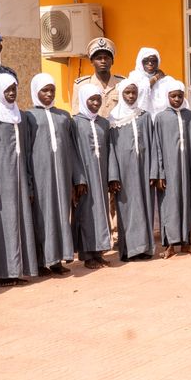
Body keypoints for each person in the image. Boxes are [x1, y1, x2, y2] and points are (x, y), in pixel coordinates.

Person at [26, 74, 85, 274]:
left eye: (52, 90)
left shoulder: (63, 116)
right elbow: (26, 150)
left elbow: (73, 148)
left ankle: (57, 259)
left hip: (62, 173)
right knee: (42, 216)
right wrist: (29, 182)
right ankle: (42, 261)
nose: (49, 94)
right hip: (40, 174)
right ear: (36, 91)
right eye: (45, 90)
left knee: (61, 214)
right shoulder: (29, 116)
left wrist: (77, 178)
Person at [0, 74, 39, 282]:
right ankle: (1, 273)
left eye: (14, 89)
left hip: (20, 179)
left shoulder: (21, 117)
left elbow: (26, 152)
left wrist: (29, 183)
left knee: (20, 221)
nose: (11, 93)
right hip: (0, 179)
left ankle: (18, 270)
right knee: (2, 223)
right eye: (7, 90)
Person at [151, 79, 191, 258]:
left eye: (180, 96)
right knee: (169, 206)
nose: (177, 99)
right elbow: (156, 146)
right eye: (173, 96)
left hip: (187, 169)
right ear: (168, 97)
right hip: (169, 170)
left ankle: (186, 243)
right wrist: (159, 173)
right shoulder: (160, 118)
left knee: (187, 203)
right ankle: (170, 245)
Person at [107, 80, 155, 261]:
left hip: (144, 169)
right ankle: (129, 250)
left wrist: (154, 171)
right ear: (121, 94)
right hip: (124, 172)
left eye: (134, 93)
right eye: (127, 92)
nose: (131, 96)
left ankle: (146, 248)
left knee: (145, 206)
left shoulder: (144, 116)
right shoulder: (113, 120)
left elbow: (153, 144)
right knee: (127, 209)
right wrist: (113, 176)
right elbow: (110, 149)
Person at [72, 83, 114, 269]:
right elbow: (71, 151)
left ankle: (98, 252)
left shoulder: (103, 123)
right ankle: (87, 255)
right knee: (86, 214)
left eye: (98, 99)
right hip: (85, 178)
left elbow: (110, 150)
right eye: (92, 99)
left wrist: (111, 176)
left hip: (101, 175)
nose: (96, 103)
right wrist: (78, 178)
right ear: (83, 100)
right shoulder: (74, 122)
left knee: (101, 213)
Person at [72, 37, 125, 118]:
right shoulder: (81, 85)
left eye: (106, 58)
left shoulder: (122, 83)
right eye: (99, 58)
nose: (103, 61)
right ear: (92, 62)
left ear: (112, 61)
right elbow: (76, 115)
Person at [130, 47, 170, 115]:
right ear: (140, 62)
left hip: (160, 118)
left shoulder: (166, 79)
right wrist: (155, 78)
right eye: (146, 61)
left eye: (153, 60)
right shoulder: (134, 77)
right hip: (140, 117)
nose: (150, 63)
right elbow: (138, 92)